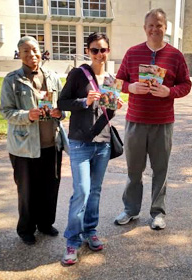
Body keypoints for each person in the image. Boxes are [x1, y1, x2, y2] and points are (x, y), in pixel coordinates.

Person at [114, 8, 192, 230]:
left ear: (165, 28)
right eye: (151, 25)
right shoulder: (132, 53)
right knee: (133, 170)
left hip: (163, 122)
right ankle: (130, 209)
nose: (155, 29)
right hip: (136, 121)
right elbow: (118, 83)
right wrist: (132, 87)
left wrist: (170, 92)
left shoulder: (175, 55)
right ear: (144, 28)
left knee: (160, 170)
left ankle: (158, 212)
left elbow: (186, 84)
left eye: (159, 25)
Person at [57, 32, 123, 265]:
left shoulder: (111, 79)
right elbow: (61, 103)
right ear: (88, 51)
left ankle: (90, 231)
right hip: (80, 142)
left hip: (102, 143)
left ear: (108, 51)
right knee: (82, 191)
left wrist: (116, 106)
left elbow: (108, 113)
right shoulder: (78, 74)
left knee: (94, 191)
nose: (99, 54)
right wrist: (84, 102)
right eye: (94, 50)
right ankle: (72, 241)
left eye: (103, 50)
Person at [0, 36, 65, 245]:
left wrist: (59, 112)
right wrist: (27, 115)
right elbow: (6, 111)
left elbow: (65, 108)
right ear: (19, 54)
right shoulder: (12, 80)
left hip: (51, 144)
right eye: (26, 51)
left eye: (35, 50)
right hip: (24, 147)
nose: (32, 55)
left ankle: (46, 224)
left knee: (50, 187)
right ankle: (26, 228)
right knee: (27, 190)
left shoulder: (53, 77)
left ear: (41, 51)